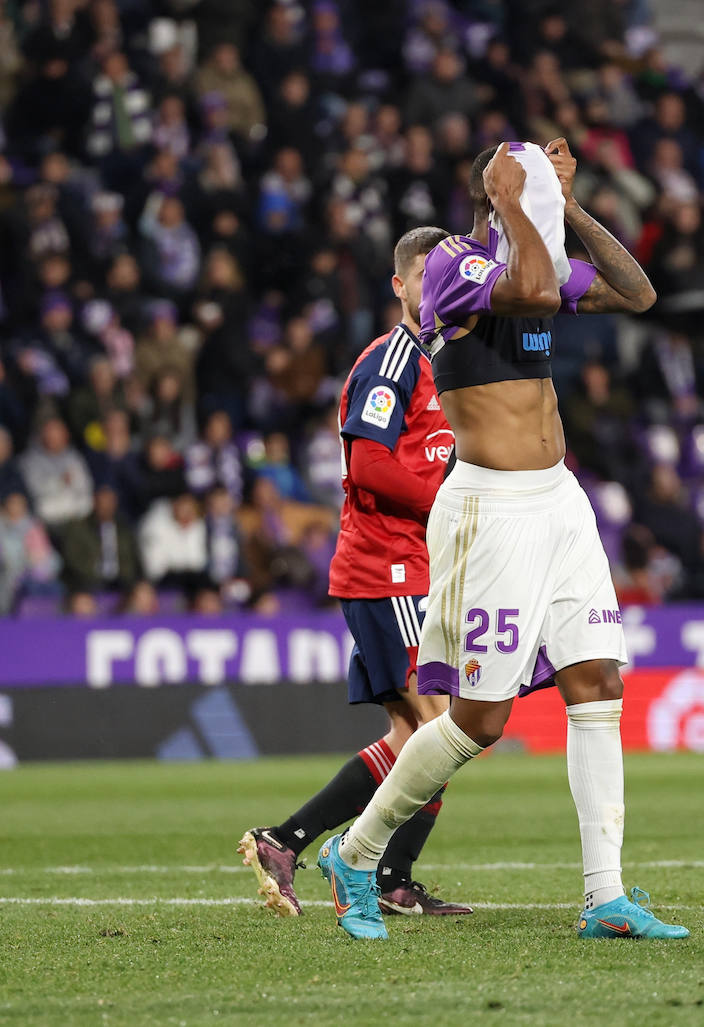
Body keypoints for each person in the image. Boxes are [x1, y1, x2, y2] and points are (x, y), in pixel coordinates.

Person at [316, 142, 687, 941]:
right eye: (535, 194)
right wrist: (513, 202)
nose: (546, 211)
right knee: (478, 722)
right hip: (492, 509)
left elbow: (638, 292)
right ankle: (356, 853)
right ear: (495, 192)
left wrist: (573, 208)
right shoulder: (454, 264)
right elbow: (534, 288)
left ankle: (605, 895)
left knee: (598, 681)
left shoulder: (536, 252)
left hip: (559, 499)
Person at [237, 228, 470, 919]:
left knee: (416, 737)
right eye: (425, 275)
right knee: (443, 731)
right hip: (387, 566)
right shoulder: (394, 360)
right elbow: (366, 464)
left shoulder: (446, 362)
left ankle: (293, 843)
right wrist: (446, 506)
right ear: (399, 286)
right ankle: (366, 864)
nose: (439, 286)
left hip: (413, 565)